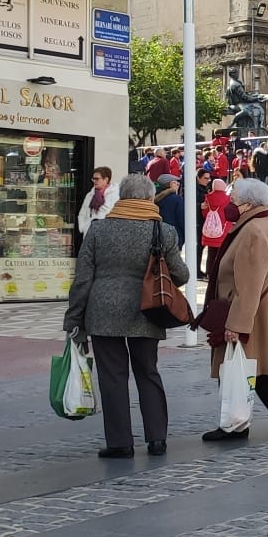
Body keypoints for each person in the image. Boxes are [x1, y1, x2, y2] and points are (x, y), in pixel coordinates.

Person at [63, 173, 188, 457]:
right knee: (148, 372)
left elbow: (82, 280)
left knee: (112, 377)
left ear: (120, 198)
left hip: (103, 312)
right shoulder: (163, 232)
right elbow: (181, 274)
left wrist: (73, 319)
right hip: (148, 310)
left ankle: (120, 443)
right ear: (148, 198)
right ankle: (157, 439)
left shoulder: (98, 230)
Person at [202, 178, 268, 441]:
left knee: (241, 369)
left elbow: (249, 282)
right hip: (261, 313)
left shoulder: (253, 230)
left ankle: (234, 424)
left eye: (233, 200)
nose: (230, 205)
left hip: (249, 314)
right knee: (262, 372)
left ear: (247, 204)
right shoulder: (264, 224)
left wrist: (237, 324)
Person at [77, 166, 115, 235]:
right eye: (93, 179)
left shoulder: (115, 195)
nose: (94, 181)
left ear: (106, 179)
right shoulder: (90, 195)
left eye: (97, 179)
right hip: (90, 233)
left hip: (106, 235)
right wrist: (83, 228)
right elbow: (82, 213)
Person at [154, 174, 185, 242]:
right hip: (174, 236)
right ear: (172, 184)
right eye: (177, 183)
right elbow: (182, 219)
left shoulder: (153, 198)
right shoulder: (177, 199)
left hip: (157, 236)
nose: (178, 185)